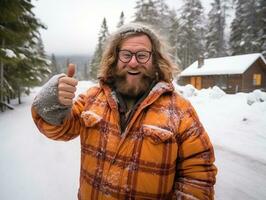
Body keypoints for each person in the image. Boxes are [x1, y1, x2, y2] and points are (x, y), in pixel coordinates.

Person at [32, 23, 217, 200]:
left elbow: (198, 175)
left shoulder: (180, 111)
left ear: (155, 60)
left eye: (142, 55)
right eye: (126, 54)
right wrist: (52, 102)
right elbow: (60, 129)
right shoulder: (92, 98)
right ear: (115, 58)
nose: (134, 63)